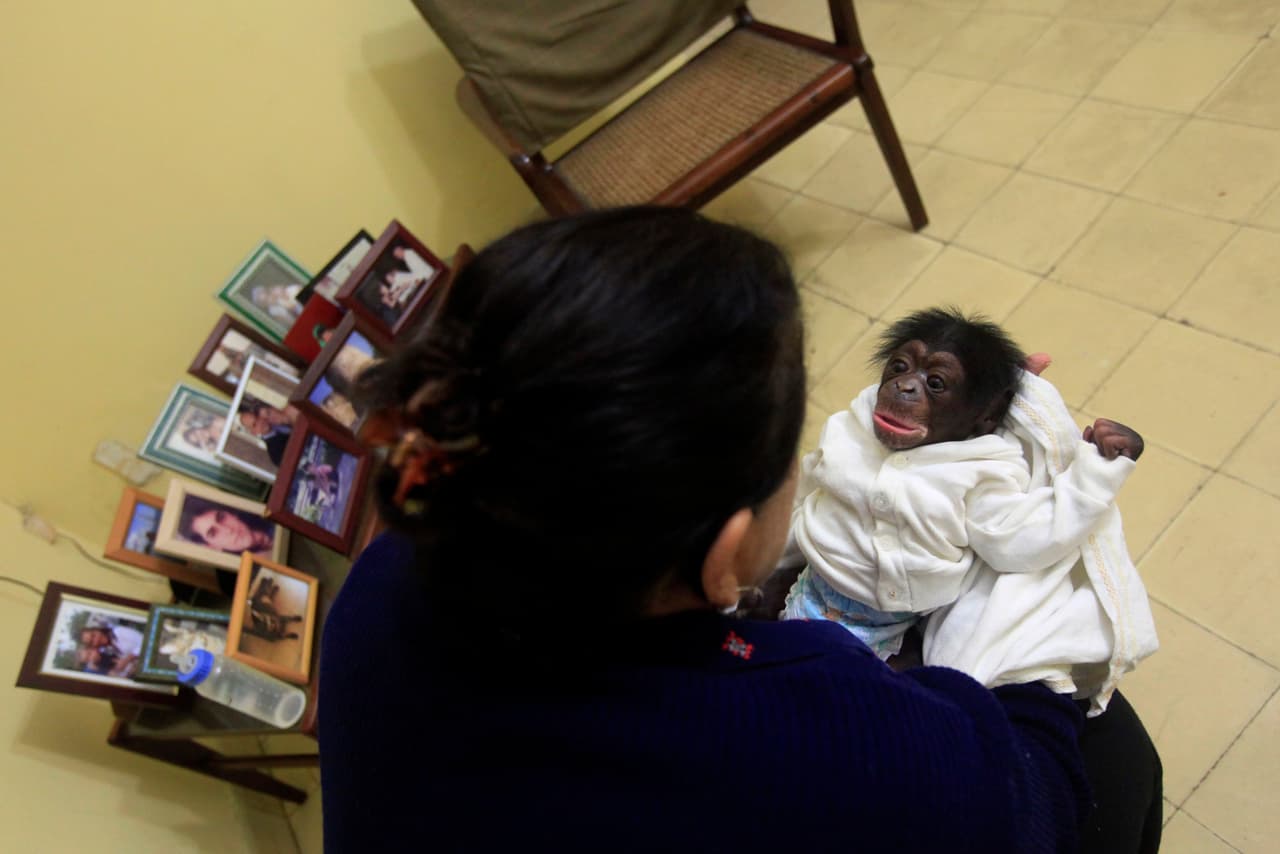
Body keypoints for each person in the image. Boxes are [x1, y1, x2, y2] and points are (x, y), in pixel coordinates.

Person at [318, 207, 1161, 852]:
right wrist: (1034, 633)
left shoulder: (389, 574)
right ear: (727, 564)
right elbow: (1026, 802)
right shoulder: (837, 734)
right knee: (1119, 761)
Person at [780, 309, 1158, 715]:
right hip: (807, 588)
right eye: (899, 367)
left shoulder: (982, 465)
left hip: (888, 628)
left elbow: (1022, 540)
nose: (904, 386)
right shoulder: (855, 423)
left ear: (985, 417)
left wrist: (1096, 473)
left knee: (867, 707)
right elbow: (809, 486)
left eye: (935, 383)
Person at [178, 496, 275, 556]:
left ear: (231, 514)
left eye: (221, 518)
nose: (228, 530)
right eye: (212, 533)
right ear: (212, 546)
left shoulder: (270, 512)